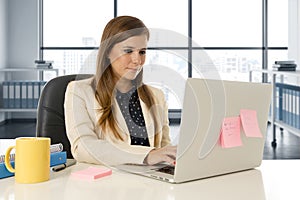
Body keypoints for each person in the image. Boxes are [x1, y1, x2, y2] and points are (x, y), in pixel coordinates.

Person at [64, 16, 177, 167]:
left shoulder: (157, 96)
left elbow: (164, 149)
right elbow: (83, 147)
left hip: (151, 183)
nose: (137, 60)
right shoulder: (79, 91)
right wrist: (146, 156)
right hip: (107, 183)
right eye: (128, 51)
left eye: (142, 52)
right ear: (107, 52)